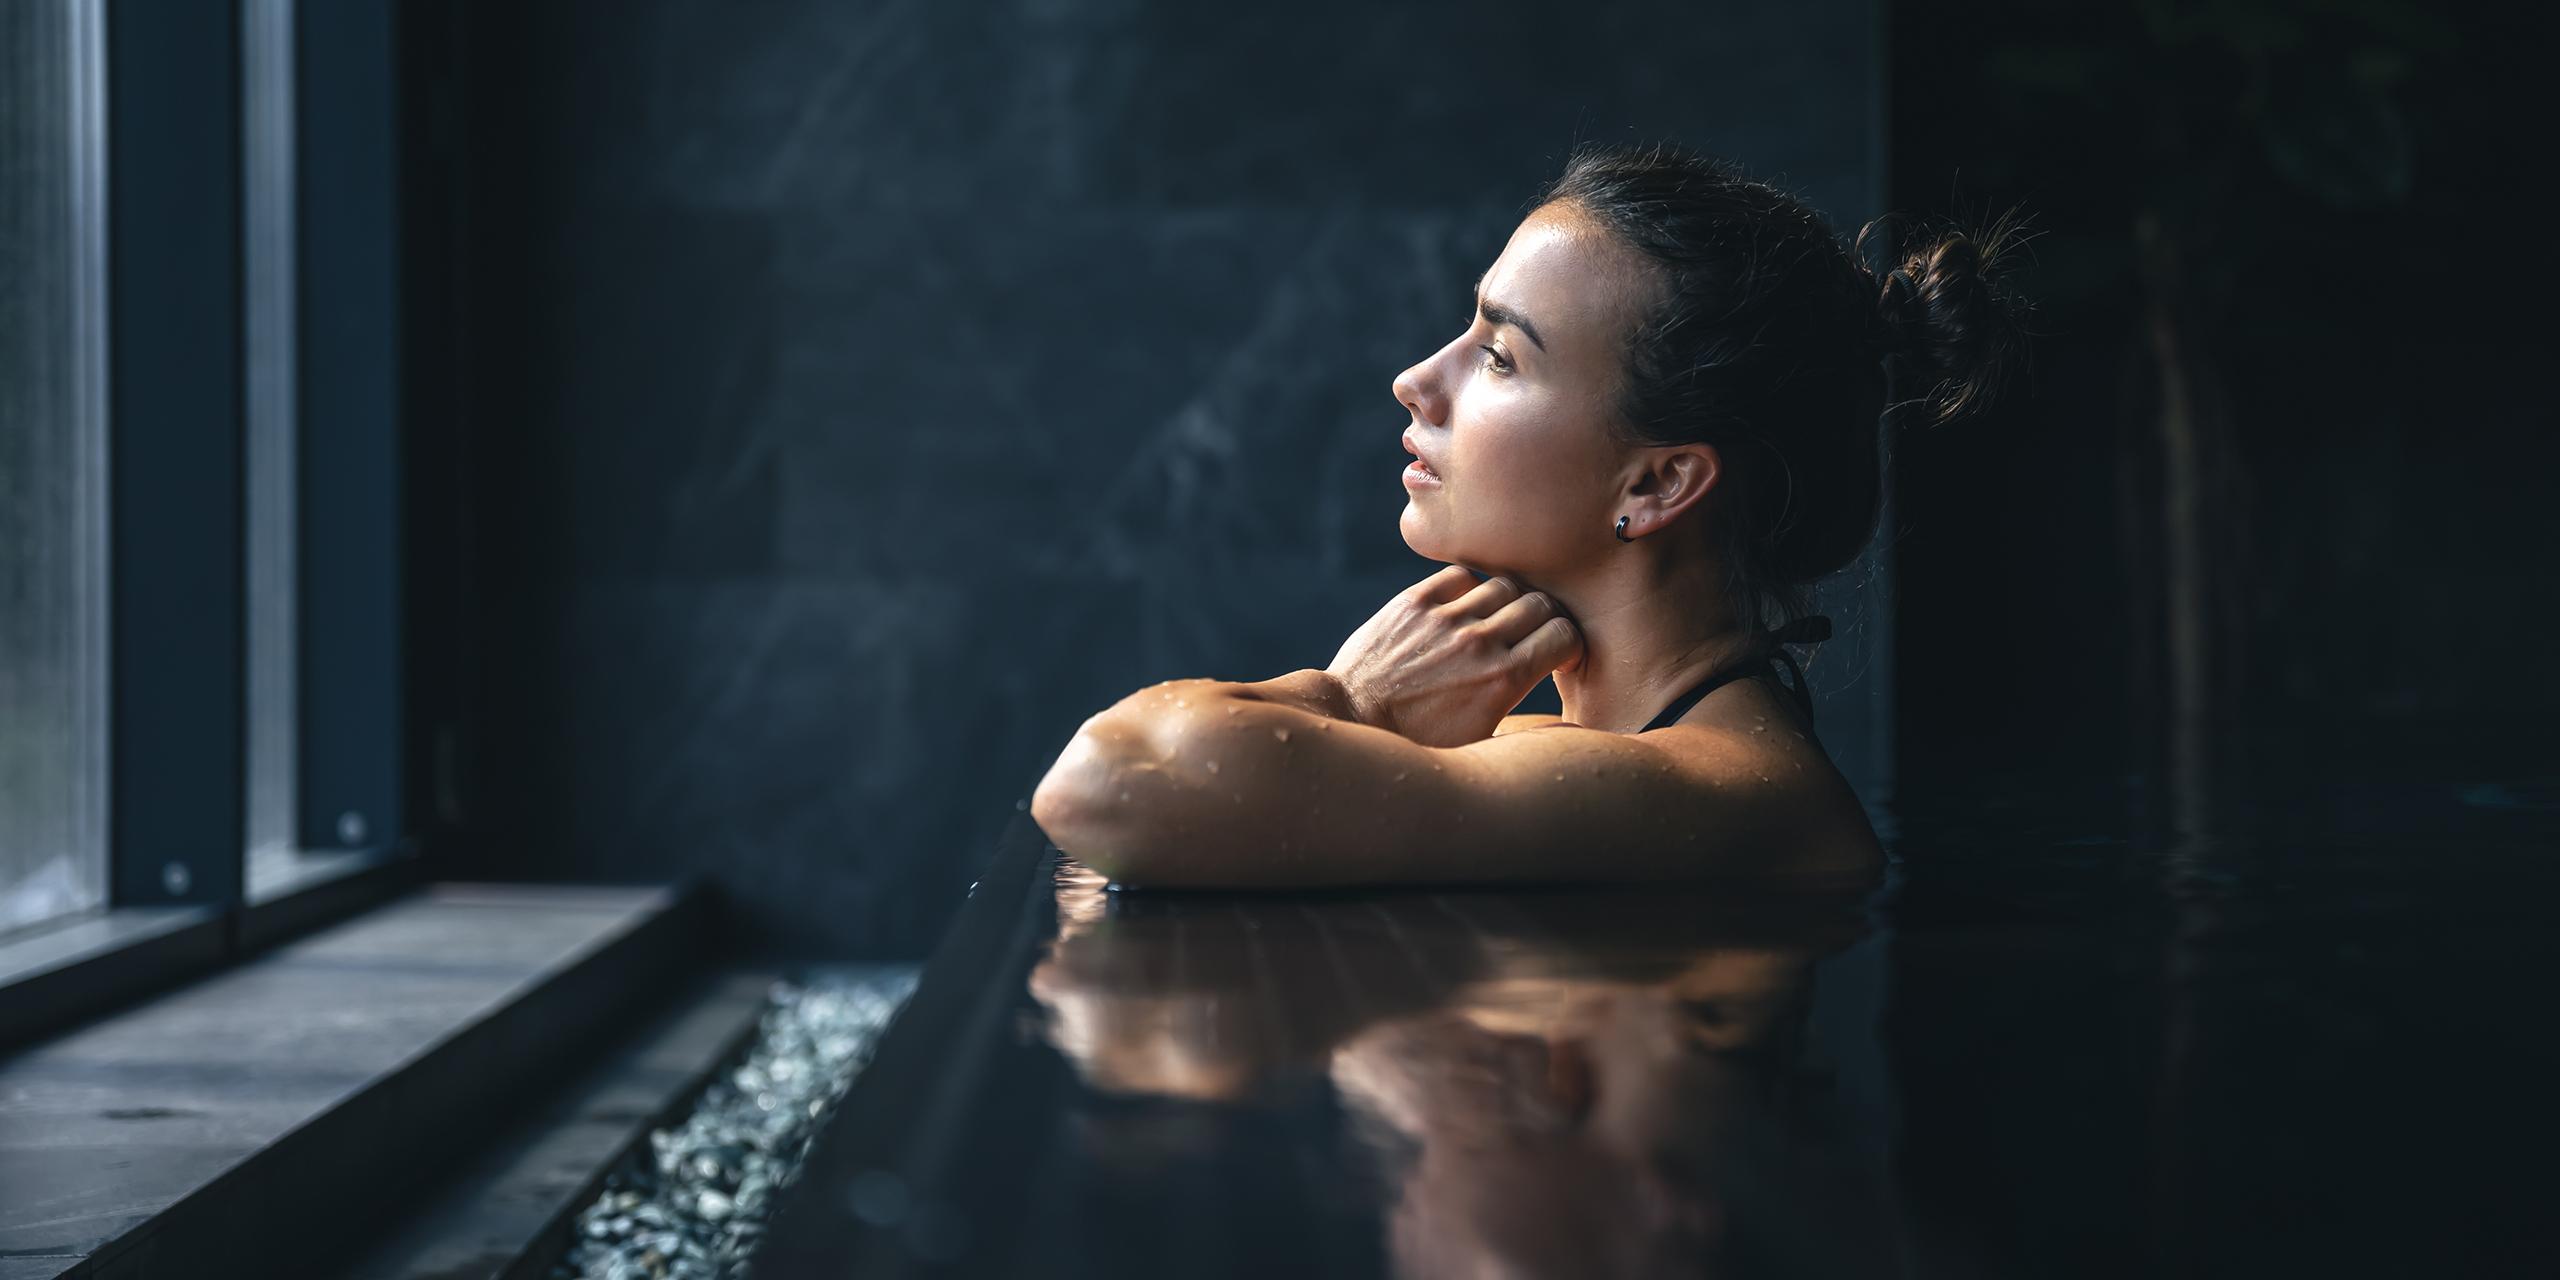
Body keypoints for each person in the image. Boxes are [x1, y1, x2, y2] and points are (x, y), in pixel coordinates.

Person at [1031, 139, 2030, 888]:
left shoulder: (1700, 790)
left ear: (1656, 484)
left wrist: (1347, 702)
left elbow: (1105, 785)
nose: (1416, 380)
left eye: (1500, 355)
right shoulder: (1563, 754)